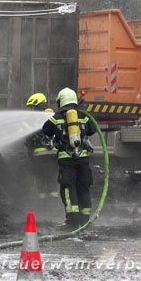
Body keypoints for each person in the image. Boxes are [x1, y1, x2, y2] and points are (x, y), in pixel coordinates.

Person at [42, 88, 96, 228]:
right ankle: (85, 220)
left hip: (66, 160)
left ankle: (72, 222)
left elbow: (45, 130)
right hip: (83, 160)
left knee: (68, 188)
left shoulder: (56, 118)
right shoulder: (83, 116)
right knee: (83, 187)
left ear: (61, 101)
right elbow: (92, 129)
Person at [24, 93, 58, 201]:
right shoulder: (52, 115)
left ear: (37, 105)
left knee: (40, 179)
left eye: (32, 107)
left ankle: (43, 204)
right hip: (53, 154)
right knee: (52, 178)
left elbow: (28, 137)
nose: (31, 110)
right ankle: (54, 204)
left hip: (39, 155)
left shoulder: (33, 118)